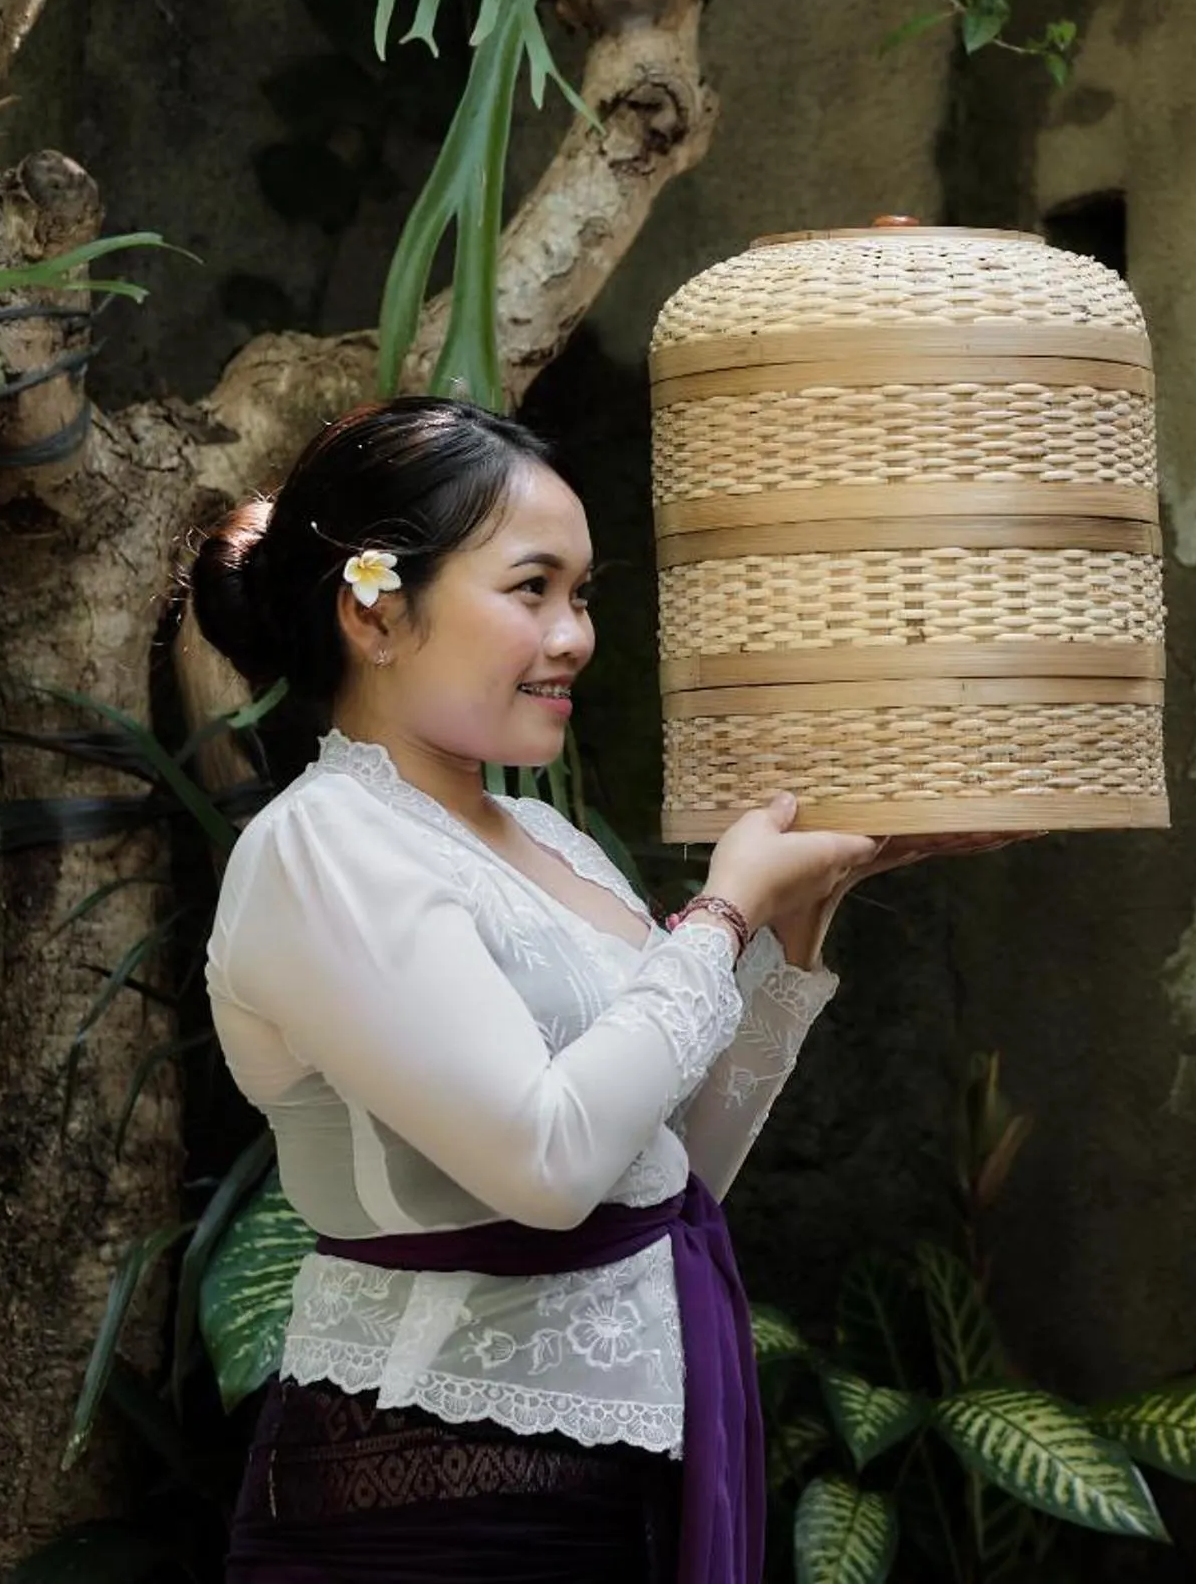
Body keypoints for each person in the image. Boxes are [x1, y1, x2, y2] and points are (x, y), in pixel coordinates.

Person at [192, 396, 994, 1582]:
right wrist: (720, 915)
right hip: (427, 1497)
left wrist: (795, 921)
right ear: (374, 608)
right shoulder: (324, 848)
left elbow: (664, 1176)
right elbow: (548, 1166)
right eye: (531, 589)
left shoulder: (540, 836)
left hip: (625, 1470)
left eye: (584, 595)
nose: (574, 636)